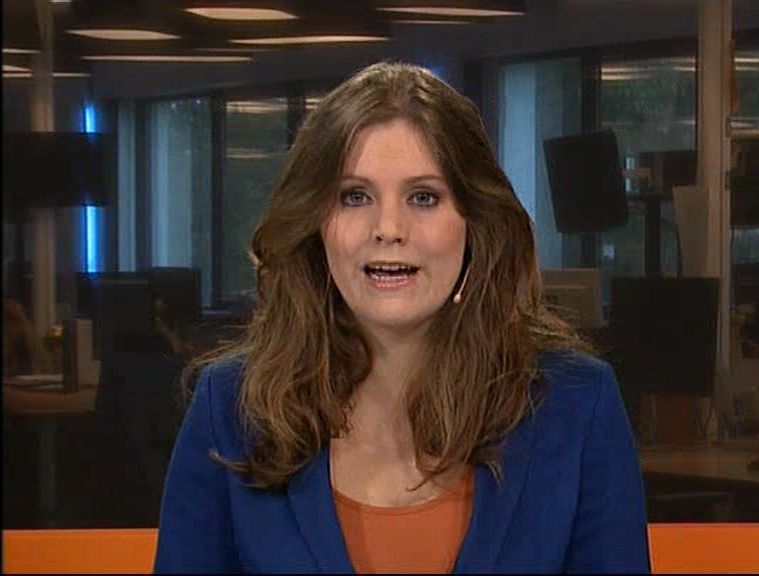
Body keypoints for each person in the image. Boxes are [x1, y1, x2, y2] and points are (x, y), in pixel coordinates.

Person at [155, 61, 649, 574]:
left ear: (475, 222)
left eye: (423, 197)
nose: (388, 227)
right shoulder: (230, 409)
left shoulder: (575, 405)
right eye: (354, 196)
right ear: (315, 223)